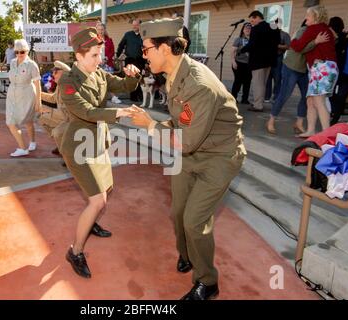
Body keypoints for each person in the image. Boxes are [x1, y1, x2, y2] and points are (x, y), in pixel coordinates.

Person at [131, 18, 246, 300]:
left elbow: (186, 140)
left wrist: (148, 125)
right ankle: (188, 255)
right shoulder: (173, 76)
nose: (143, 55)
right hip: (191, 152)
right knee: (177, 213)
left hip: (218, 156)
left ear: (165, 49)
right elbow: (181, 123)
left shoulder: (198, 84)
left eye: (146, 49)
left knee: (194, 221)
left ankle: (208, 281)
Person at [58, 27, 141, 278]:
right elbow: (87, 112)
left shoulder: (100, 76)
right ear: (79, 56)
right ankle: (76, 251)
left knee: (108, 189)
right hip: (79, 147)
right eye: (94, 55)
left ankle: (91, 222)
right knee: (98, 200)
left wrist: (133, 74)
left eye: (100, 54)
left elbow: (123, 84)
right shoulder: (68, 81)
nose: (99, 60)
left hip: (98, 142)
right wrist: (119, 112)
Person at [266, 22, 330, 134]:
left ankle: (299, 122)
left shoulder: (317, 31)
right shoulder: (303, 30)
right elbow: (298, 47)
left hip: (305, 69)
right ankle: (271, 120)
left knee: (307, 97)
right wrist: (316, 42)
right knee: (284, 95)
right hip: (292, 66)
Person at [290, 5, 338, 137]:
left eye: (308, 15)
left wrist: (293, 38)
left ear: (315, 17)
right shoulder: (325, 29)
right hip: (327, 67)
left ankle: (326, 134)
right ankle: (311, 130)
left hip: (322, 67)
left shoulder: (314, 28)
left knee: (318, 101)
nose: (306, 18)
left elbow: (298, 47)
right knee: (310, 101)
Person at [5, 39, 42, 157]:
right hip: (12, 94)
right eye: (17, 52)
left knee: (28, 121)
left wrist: (38, 101)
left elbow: (37, 84)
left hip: (27, 94)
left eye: (22, 52)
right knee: (11, 122)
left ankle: (32, 141)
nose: (19, 55)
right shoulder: (12, 62)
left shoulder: (32, 65)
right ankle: (22, 148)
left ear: (27, 51)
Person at [241, 10, 280, 112]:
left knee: (258, 83)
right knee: (263, 83)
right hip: (269, 60)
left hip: (257, 61)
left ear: (257, 17)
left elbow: (252, 44)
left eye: (252, 21)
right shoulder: (273, 26)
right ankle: (259, 103)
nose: (252, 23)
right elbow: (278, 41)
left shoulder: (256, 29)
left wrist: (242, 49)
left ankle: (258, 105)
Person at [39, 60, 71, 156]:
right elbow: (53, 98)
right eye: (53, 72)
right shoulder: (61, 85)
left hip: (70, 120)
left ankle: (68, 153)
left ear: (63, 73)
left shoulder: (69, 87)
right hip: (64, 117)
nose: (53, 74)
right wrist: (38, 94)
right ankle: (61, 144)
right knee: (43, 119)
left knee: (56, 129)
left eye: (56, 72)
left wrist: (49, 111)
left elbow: (69, 111)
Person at [116, 19, 145, 102]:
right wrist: (118, 55)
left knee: (140, 78)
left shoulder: (143, 35)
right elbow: (121, 45)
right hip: (130, 60)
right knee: (132, 78)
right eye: (133, 25)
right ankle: (133, 97)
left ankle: (140, 96)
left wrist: (147, 61)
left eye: (136, 25)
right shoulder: (128, 34)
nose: (134, 26)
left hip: (140, 60)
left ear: (140, 25)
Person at [265, 18, 291, 103]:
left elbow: (288, 46)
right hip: (268, 58)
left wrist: (277, 45)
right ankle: (266, 97)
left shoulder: (284, 34)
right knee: (268, 78)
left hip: (278, 58)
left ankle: (276, 97)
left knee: (277, 78)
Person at [96, 22, 122, 104]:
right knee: (97, 81)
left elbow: (112, 51)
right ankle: (97, 97)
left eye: (102, 29)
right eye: (99, 30)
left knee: (109, 80)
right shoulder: (94, 40)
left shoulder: (109, 40)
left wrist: (106, 59)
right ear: (96, 30)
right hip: (96, 63)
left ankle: (114, 97)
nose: (101, 31)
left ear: (104, 30)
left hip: (107, 64)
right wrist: (99, 60)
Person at [231, 22, 252, 104]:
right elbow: (232, 52)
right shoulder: (238, 39)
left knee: (247, 82)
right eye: (246, 28)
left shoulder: (253, 40)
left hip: (249, 64)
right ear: (243, 30)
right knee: (238, 81)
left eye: (249, 28)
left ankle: (245, 99)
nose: (248, 30)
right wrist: (233, 62)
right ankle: (233, 98)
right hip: (239, 63)